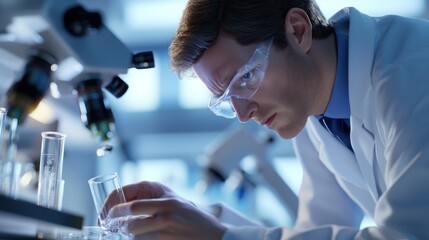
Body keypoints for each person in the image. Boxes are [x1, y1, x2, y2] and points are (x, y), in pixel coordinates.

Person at [107, 0, 429, 239]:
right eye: (226, 101)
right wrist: (196, 218)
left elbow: (407, 236)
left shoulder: (413, 72)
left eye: (245, 79)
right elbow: (317, 230)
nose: (244, 114)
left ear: (298, 31)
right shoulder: (311, 108)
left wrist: (221, 237)